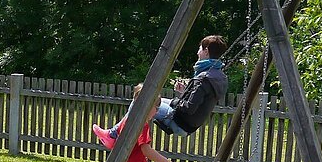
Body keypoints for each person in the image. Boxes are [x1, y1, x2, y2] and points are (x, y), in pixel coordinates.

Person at [93, 35, 229, 148]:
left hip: (180, 122)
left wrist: (178, 100)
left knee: (142, 101)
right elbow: (199, 103)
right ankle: (116, 134)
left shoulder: (203, 78)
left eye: (200, 49)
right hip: (190, 124)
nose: (197, 52)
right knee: (149, 98)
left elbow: (189, 108)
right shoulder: (218, 76)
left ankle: (113, 135)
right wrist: (183, 94)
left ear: (206, 51)